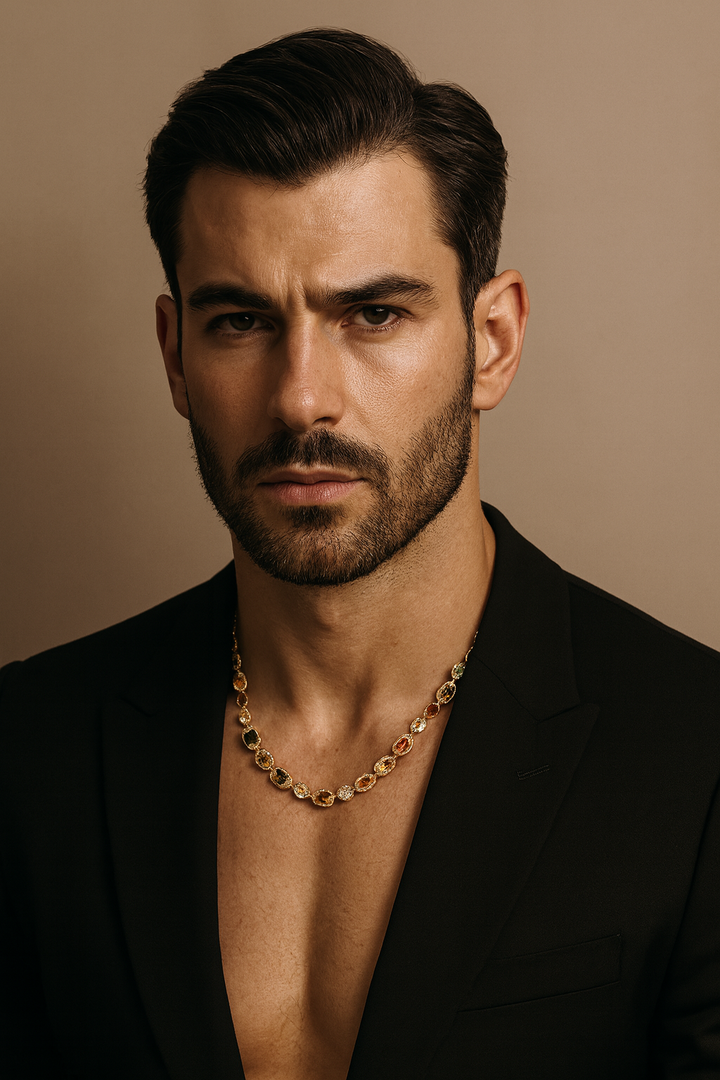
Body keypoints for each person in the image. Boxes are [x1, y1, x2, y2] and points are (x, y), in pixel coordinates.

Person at [1, 26, 719, 1080]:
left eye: (373, 314)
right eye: (241, 320)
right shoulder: (32, 749)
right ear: (175, 355)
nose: (301, 397)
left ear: (493, 341)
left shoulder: (695, 756)